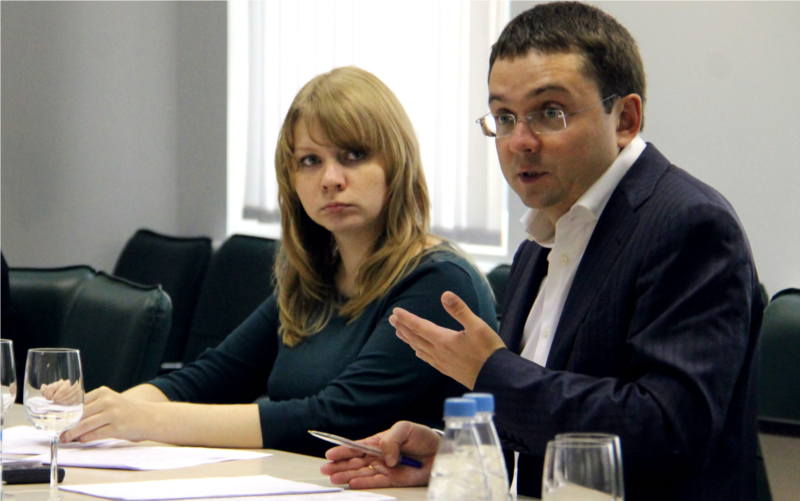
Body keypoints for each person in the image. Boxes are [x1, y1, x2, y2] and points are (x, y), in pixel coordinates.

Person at [321, 3, 762, 500]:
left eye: (550, 113)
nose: (520, 142)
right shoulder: (545, 236)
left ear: (626, 119)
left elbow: (666, 430)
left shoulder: (689, 225)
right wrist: (458, 454)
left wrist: (490, 370)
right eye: (504, 118)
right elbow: (549, 419)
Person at [62, 66, 497, 457]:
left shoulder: (439, 281)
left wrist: (145, 420)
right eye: (310, 161)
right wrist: (100, 412)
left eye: (353, 155)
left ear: (396, 163)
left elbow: (335, 418)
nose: (330, 179)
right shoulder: (314, 279)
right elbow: (211, 379)